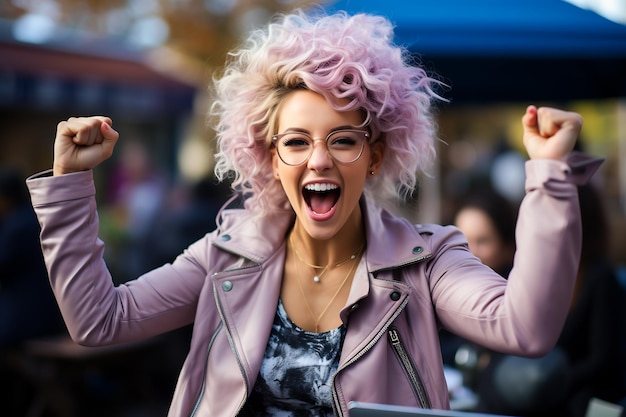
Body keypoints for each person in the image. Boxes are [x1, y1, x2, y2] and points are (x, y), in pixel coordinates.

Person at [25, 10, 602, 417]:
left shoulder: (427, 261)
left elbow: (526, 328)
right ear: (270, 159)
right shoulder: (226, 256)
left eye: (343, 140)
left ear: (375, 155)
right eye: (295, 142)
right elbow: (99, 322)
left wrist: (550, 175)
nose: (318, 159)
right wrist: (71, 184)